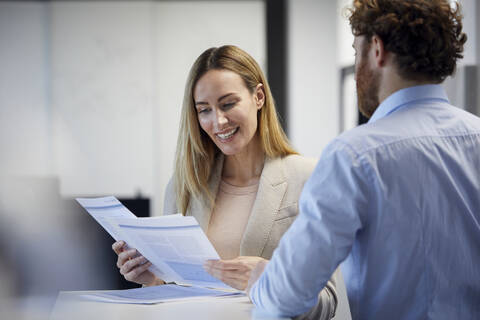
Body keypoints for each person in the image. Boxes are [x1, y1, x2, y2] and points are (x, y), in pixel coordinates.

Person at [247, 1, 480, 319]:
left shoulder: (354, 156)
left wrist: (260, 280)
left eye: (357, 53)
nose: (357, 68)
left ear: (377, 49)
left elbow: (285, 297)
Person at [112, 45, 340, 319]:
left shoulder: (310, 178)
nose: (218, 121)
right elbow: (178, 295)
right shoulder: (184, 186)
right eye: (204, 110)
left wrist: (271, 282)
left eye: (228, 104)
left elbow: (327, 304)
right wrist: (153, 279)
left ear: (258, 97)